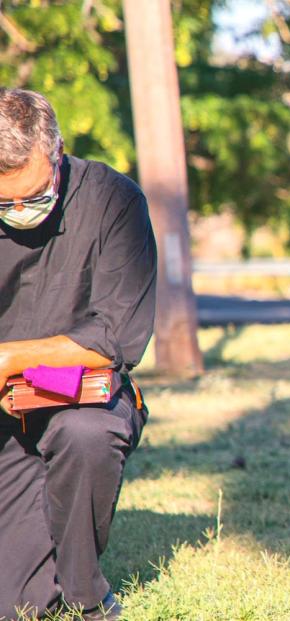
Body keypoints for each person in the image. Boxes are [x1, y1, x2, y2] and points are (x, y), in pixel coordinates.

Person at [0, 88, 155, 620]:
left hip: (82, 400)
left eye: (35, 194)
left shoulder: (115, 200)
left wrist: (8, 357)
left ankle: (87, 594)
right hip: (3, 418)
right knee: (13, 606)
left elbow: (117, 336)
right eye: (4, 203)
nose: (21, 211)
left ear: (58, 153)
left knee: (85, 434)